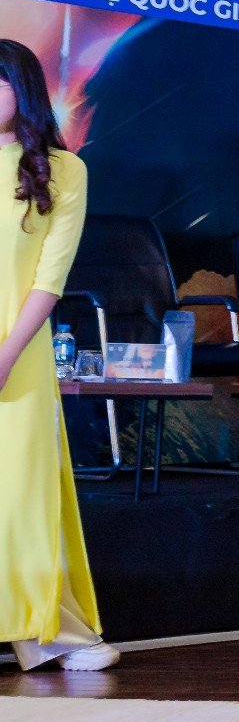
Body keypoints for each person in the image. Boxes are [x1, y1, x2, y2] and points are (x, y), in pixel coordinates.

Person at [0, 43, 110, 672]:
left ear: (23, 89)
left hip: (18, 349)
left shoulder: (63, 170)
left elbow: (50, 276)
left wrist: (8, 353)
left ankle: (45, 631)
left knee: (20, 489)